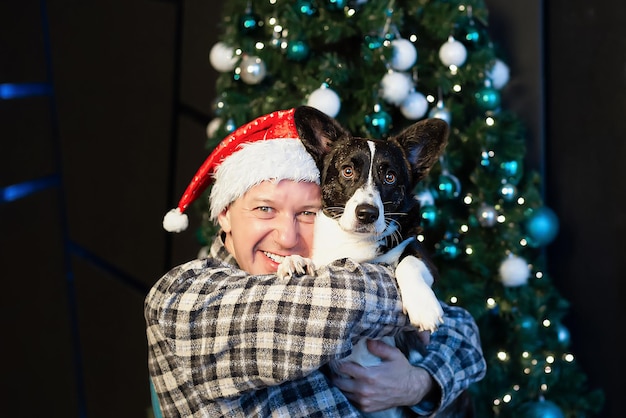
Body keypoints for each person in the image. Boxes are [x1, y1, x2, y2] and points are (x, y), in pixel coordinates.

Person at [146, 107, 486, 417]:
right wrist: (407, 281)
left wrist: (417, 385)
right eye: (265, 209)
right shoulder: (183, 295)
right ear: (224, 214)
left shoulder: (314, 268)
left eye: (307, 213)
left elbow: (464, 330)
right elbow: (338, 305)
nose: (286, 236)